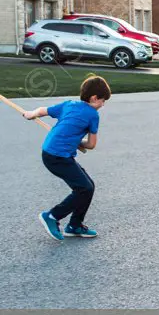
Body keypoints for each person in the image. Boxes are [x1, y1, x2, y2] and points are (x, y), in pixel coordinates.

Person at [22, 76, 111, 241]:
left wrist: (30, 114)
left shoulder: (69, 104)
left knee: (88, 186)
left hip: (49, 153)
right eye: (103, 101)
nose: (103, 105)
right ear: (94, 98)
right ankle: (52, 216)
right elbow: (91, 145)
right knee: (84, 188)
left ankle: (75, 226)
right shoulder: (93, 114)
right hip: (58, 157)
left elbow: (42, 110)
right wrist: (80, 142)